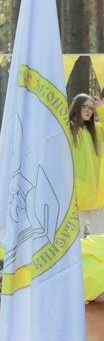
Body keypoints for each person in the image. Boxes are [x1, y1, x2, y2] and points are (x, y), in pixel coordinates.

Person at [69, 93, 104, 235]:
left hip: (97, 196)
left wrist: (101, 109)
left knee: (99, 236)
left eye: (92, 108)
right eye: (86, 107)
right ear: (77, 107)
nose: (89, 111)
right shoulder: (68, 130)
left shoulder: (96, 129)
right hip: (78, 194)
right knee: (78, 238)